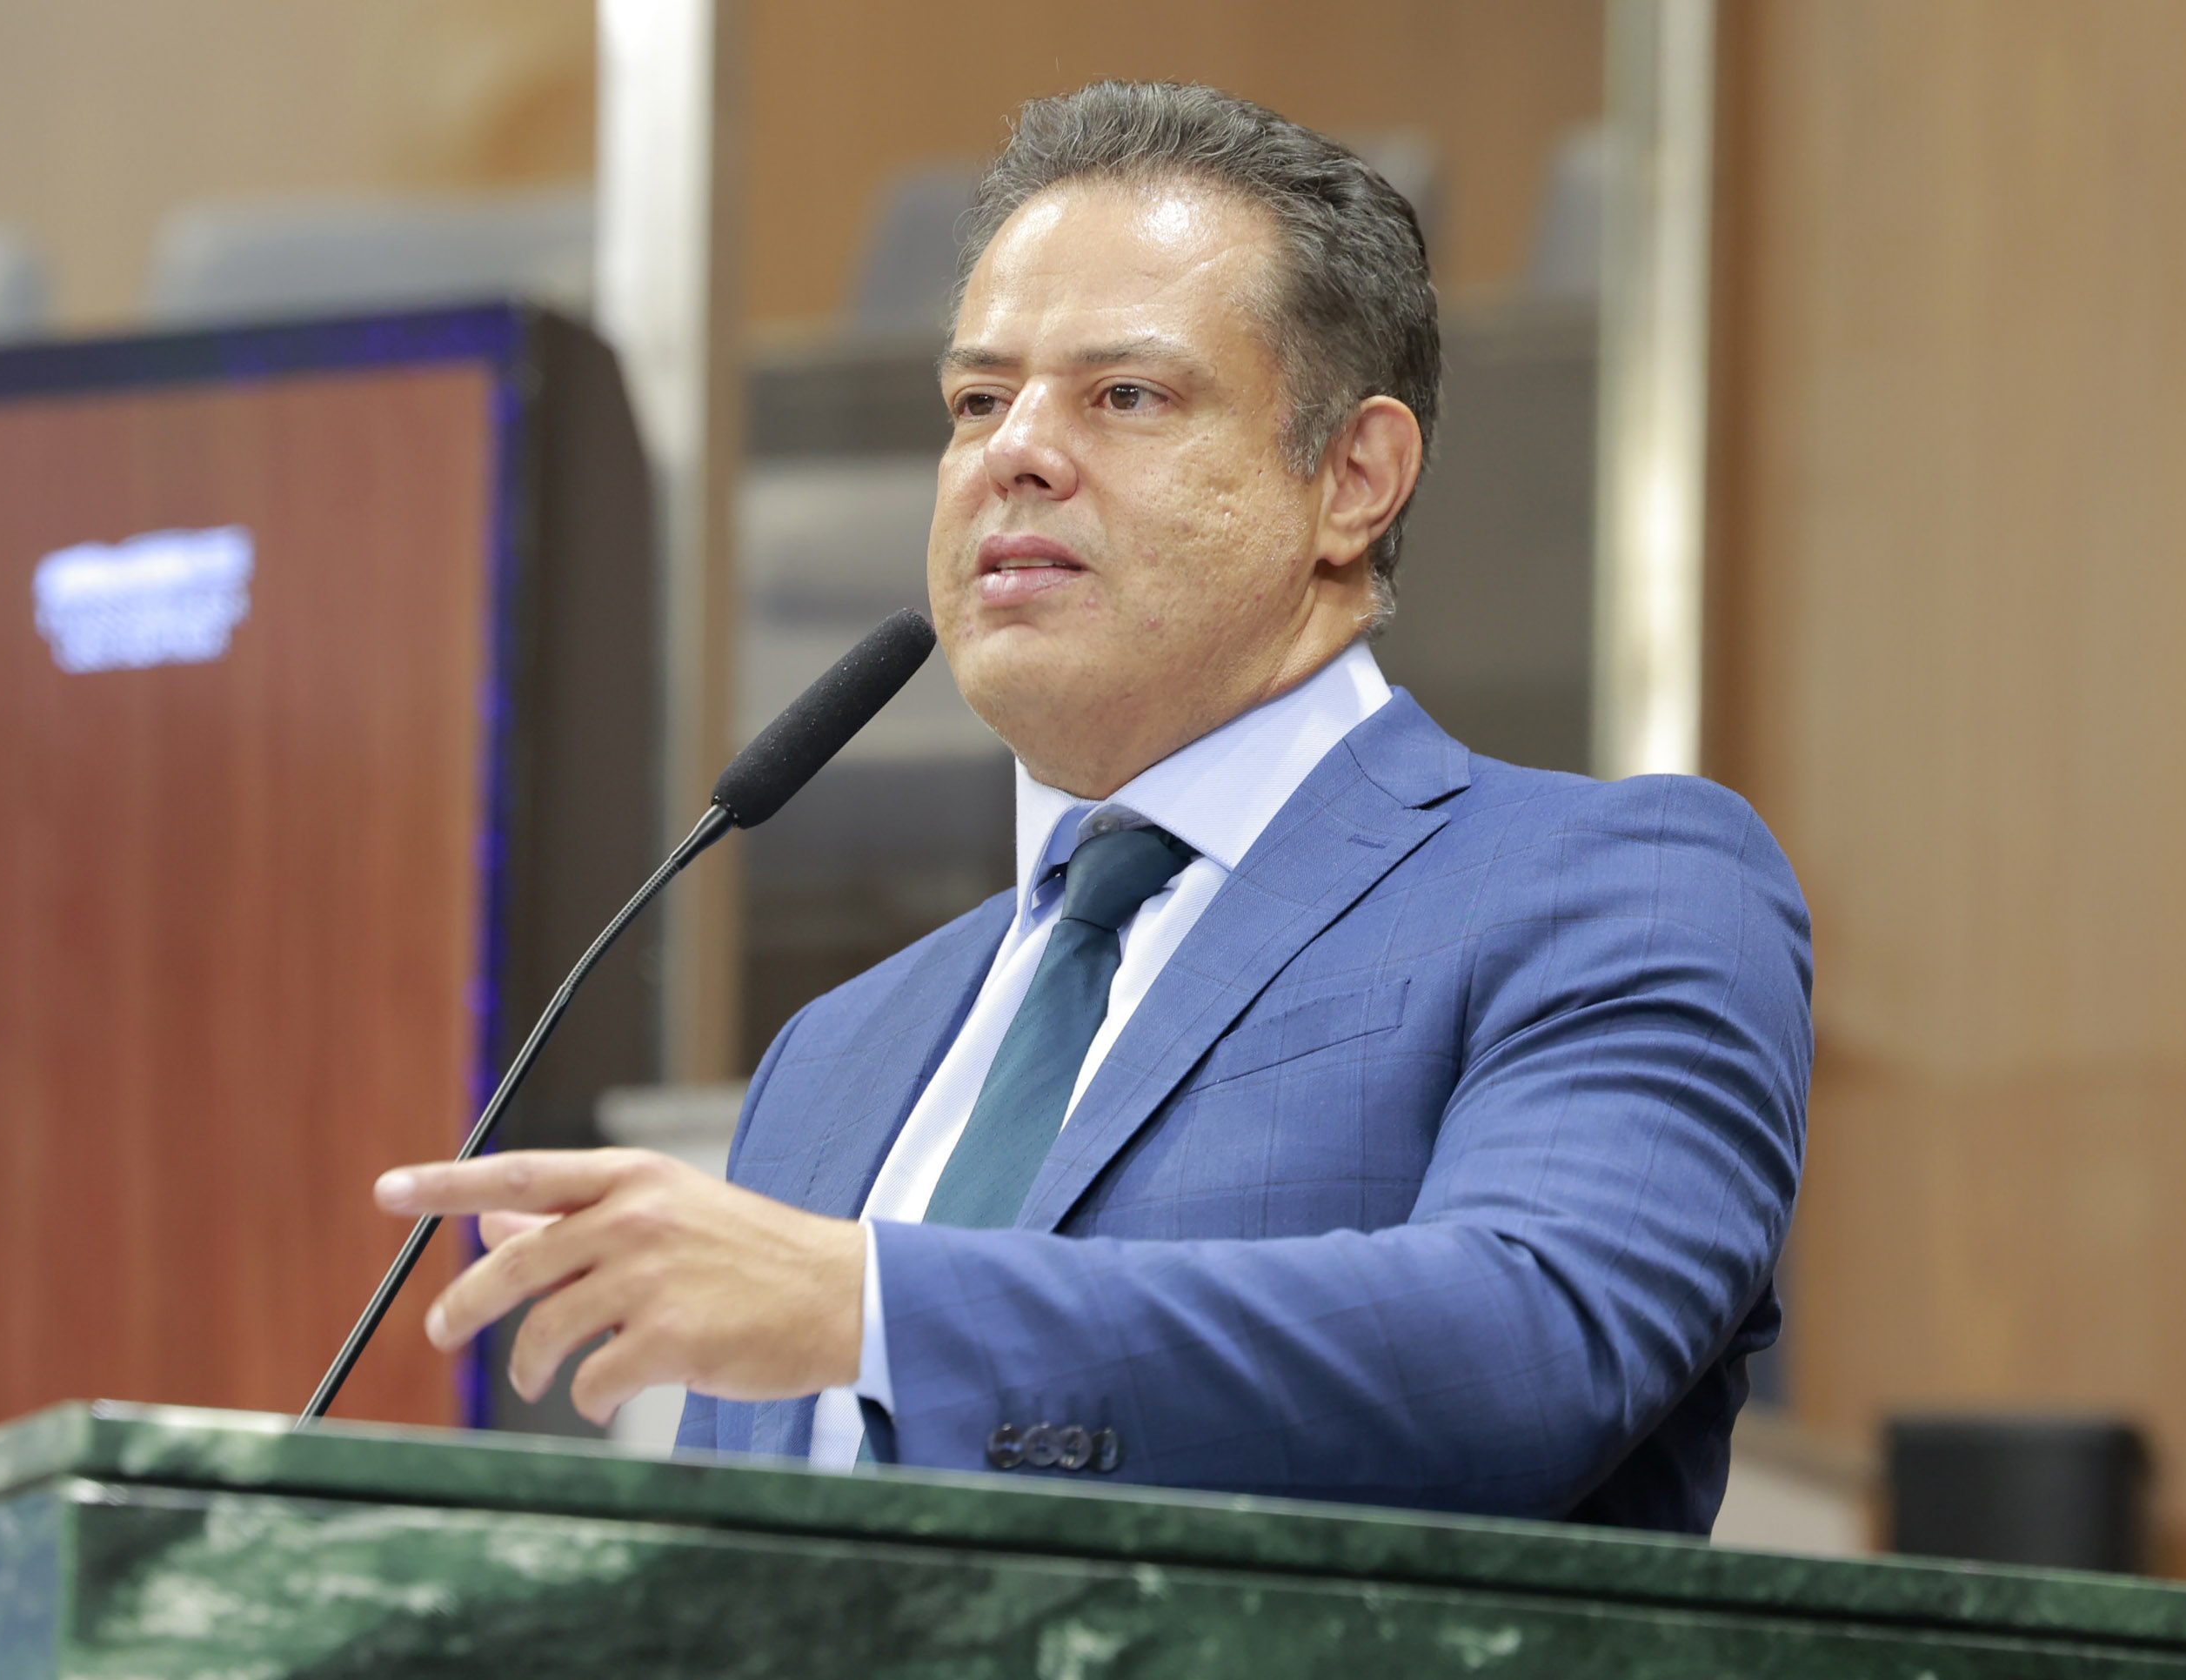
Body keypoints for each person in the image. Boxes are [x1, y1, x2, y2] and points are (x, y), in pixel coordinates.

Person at [374, 80, 1810, 1532]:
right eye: (977, 401)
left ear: (1352, 478)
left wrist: (873, 1309)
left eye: (1125, 396)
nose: (1014, 452)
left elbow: (1528, 1345)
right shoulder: (837, 1055)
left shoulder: (1610, 884)